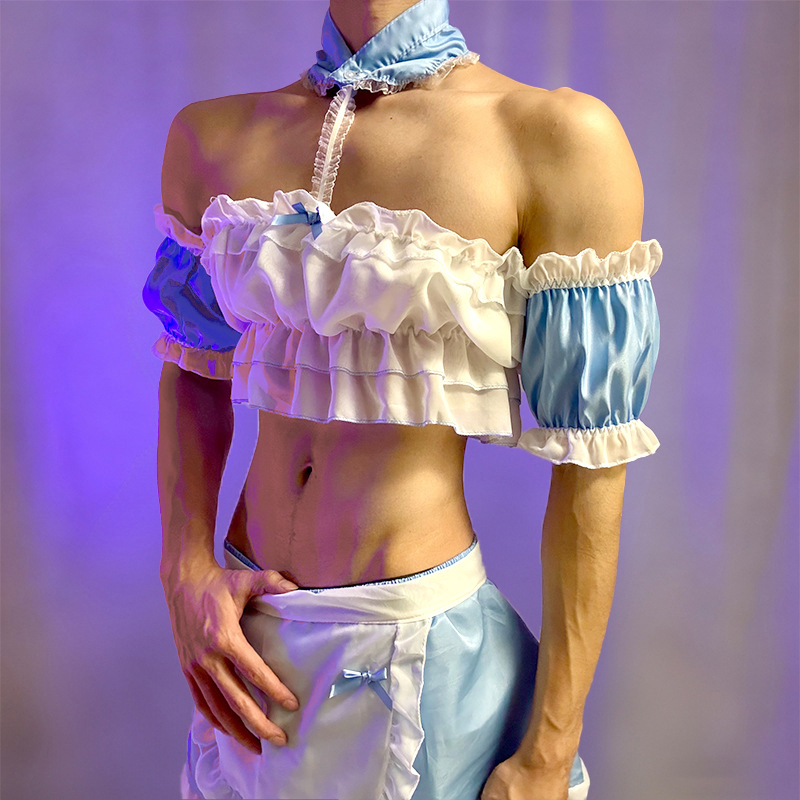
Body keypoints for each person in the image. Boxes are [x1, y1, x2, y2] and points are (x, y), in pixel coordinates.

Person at [143, 0, 662, 798]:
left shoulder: (554, 137)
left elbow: (594, 462)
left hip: (423, 663)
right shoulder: (208, 137)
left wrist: (549, 751)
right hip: (244, 651)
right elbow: (192, 371)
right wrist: (185, 571)